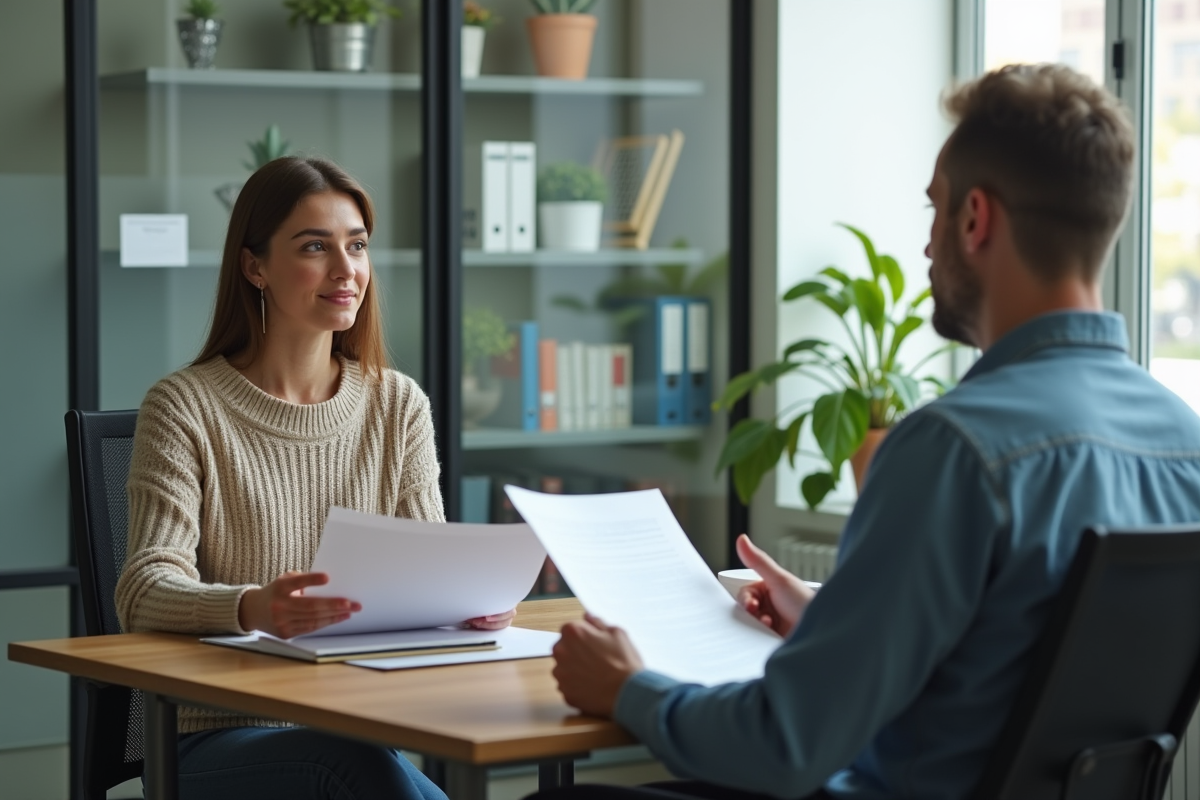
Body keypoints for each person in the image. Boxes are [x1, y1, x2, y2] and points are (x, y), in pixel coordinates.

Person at [538, 64, 1200, 800]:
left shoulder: (955, 450)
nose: (925, 247)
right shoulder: (1185, 444)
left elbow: (784, 744)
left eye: (935, 210)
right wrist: (836, 620)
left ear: (976, 219)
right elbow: (1027, 664)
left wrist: (628, 686)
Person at [115, 156, 512, 800]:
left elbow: (427, 568)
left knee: (367, 765)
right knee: (355, 770)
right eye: (313, 247)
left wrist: (466, 603)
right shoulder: (184, 405)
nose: (346, 270)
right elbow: (143, 590)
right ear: (255, 267)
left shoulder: (397, 403)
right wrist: (253, 608)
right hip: (213, 736)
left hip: (359, 725)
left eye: (356, 246)